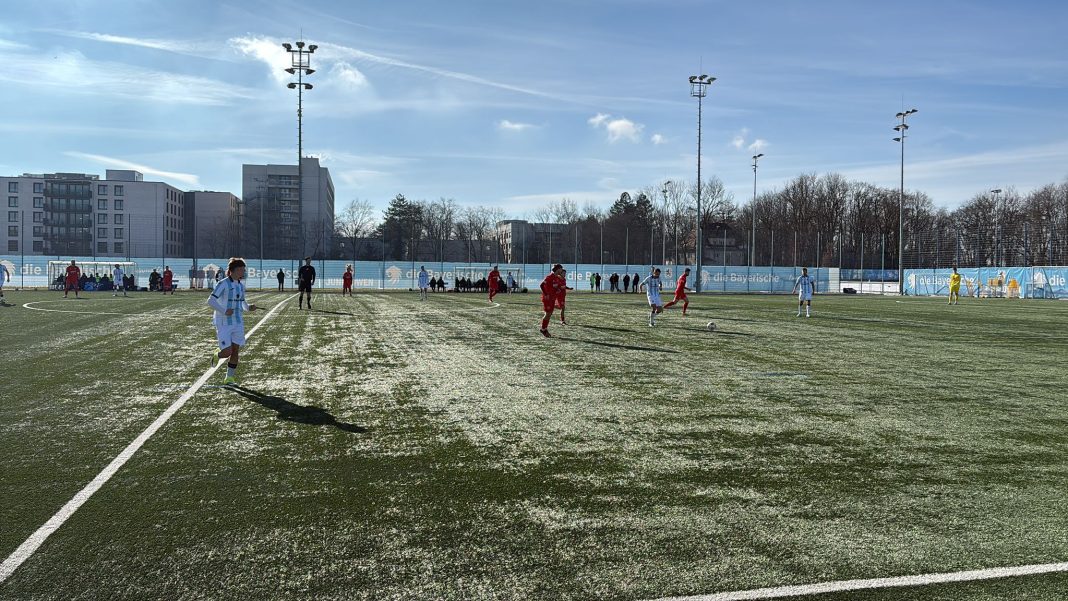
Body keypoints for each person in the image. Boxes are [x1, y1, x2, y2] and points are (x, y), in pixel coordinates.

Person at [207, 257, 260, 385]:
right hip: (223, 322)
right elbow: (211, 301)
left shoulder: (241, 286)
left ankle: (229, 378)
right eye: (241, 269)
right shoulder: (223, 283)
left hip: (238, 322)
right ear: (233, 270)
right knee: (227, 352)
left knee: (235, 351)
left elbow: (242, 303)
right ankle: (217, 355)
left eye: (244, 269)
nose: (243, 272)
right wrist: (224, 310)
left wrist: (249, 308)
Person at [539, 264, 566, 337]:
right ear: (558, 269)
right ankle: (543, 329)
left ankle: (544, 329)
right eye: (561, 269)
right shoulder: (550, 276)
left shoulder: (556, 277)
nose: (562, 270)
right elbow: (541, 285)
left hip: (553, 298)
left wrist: (558, 289)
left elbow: (555, 286)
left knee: (549, 314)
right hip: (547, 298)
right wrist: (546, 294)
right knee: (547, 314)